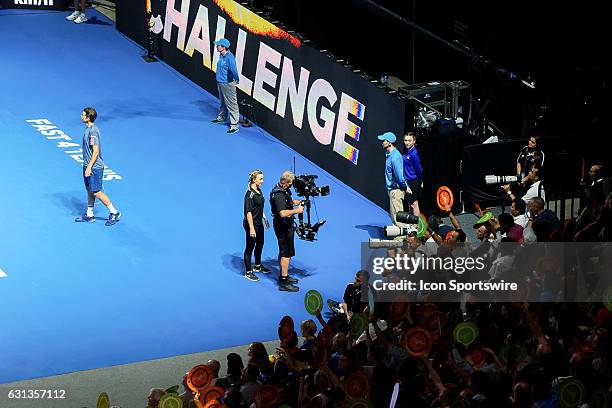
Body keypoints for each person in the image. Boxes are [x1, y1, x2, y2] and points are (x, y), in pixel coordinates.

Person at [74, 107, 122, 226]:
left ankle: (114, 212)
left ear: (88, 117)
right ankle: (89, 215)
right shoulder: (88, 129)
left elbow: (95, 151)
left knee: (96, 191)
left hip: (94, 167)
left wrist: (89, 167)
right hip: (87, 165)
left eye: (83, 114)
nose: (81, 116)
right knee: (89, 190)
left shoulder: (93, 131)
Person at [270, 171, 303, 292]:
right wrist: (297, 211)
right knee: (286, 253)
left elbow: (287, 201)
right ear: (284, 183)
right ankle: (283, 282)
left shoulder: (282, 190)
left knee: (284, 251)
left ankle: (284, 275)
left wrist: (296, 202)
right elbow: (282, 213)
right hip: (282, 226)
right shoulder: (278, 195)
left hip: (285, 226)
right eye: (289, 185)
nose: (291, 187)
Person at [243, 170, 271, 282]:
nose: (262, 181)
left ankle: (258, 266)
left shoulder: (259, 191)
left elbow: (259, 207)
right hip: (251, 224)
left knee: (260, 244)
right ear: (254, 180)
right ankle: (248, 272)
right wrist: (252, 228)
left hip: (259, 223)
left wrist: (264, 217)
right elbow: (248, 213)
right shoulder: (249, 194)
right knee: (250, 247)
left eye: (262, 178)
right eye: (260, 179)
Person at [378, 132, 409, 227]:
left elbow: (399, 176)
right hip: (392, 190)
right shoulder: (389, 154)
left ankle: (400, 239)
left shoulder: (395, 157)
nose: (382, 142)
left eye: (384, 140)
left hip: (396, 190)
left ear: (389, 142)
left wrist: (404, 186)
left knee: (398, 218)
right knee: (395, 216)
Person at [211, 38, 240, 134]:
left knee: (231, 104)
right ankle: (222, 117)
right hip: (220, 82)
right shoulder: (221, 55)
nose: (216, 46)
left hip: (228, 83)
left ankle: (234, 125)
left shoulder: (230, 57)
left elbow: (234, 70)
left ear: (223, 47)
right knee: (223, 102)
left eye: (218, 45)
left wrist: (236, 79)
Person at [402, 131, 423, 218]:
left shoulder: (414, 154)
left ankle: (416, 224)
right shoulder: (407, 151)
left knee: (414, 203)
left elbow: (418, 169)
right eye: (406, 140)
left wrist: (420, 181)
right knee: (410, 203)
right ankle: (411, 221)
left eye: (409, 141)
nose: (407, 142)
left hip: (413, 181)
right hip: (407, 180)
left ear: (414, 141)